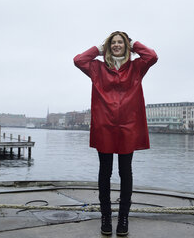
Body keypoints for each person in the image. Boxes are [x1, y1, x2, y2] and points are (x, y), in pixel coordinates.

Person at [73, 31, 158, 236]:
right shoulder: (97, 68)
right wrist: (99, 50)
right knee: (105, 172)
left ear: (126, 45)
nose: (117, 45)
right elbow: (78, 60)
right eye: (113, 43)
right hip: (105, 126)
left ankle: (123, 218)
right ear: (108, 46)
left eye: (121, 42)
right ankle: (105, 217)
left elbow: (152, 56)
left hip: (128, 127)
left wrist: (134, 43)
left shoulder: (136, 67)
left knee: (125, 173)